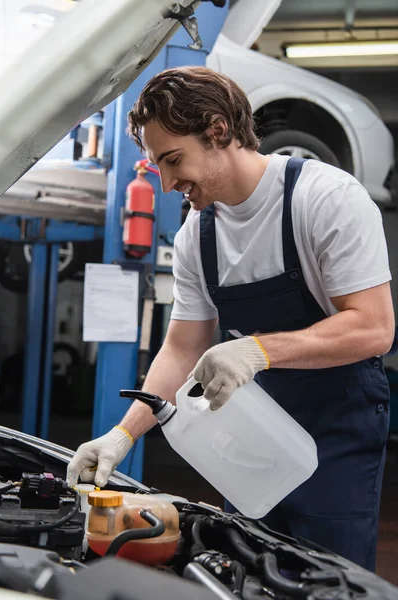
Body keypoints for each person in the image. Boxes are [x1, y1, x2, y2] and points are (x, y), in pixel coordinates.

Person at [67, 66, 395, 571]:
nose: (170, 182)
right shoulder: (195, 236)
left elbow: (374, 328)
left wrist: (259, 350)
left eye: (174, 160)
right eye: (158, 166)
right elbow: (181, 348)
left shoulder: (325, 199)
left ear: (218, 130)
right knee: (245, 568)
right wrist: (123, 434)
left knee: (329, 579)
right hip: (253, 436)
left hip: (337, 430)